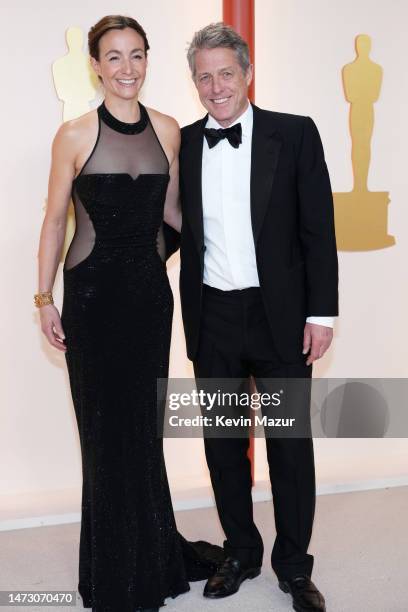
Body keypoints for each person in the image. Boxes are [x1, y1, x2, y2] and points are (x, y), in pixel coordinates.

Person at [35, 15, 222, 612]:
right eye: (113, 58)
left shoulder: (168, 129)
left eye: (136, 55)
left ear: (148, 60)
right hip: (91, 300)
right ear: (95, 66)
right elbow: (54, 221)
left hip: (147, 301)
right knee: (104, 435)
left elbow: (171, 211)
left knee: (142, 435)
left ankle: (151, 555)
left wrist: (234, 249)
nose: (126, 69)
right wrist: (44, 299)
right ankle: (114, 570)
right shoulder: (73, 134)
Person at [178, 23, 338, 612]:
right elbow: (170, 230)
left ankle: (294, 568)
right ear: (193, 83)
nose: (216, 86)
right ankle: (240, 552)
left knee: (289, 446)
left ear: (247, 74)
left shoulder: (293, 135)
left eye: (226, 73)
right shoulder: (185, 143)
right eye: (204, 76)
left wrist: (321, 314)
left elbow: (318, 230)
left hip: (282, 318)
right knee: (222, 444)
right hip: (213, 315)